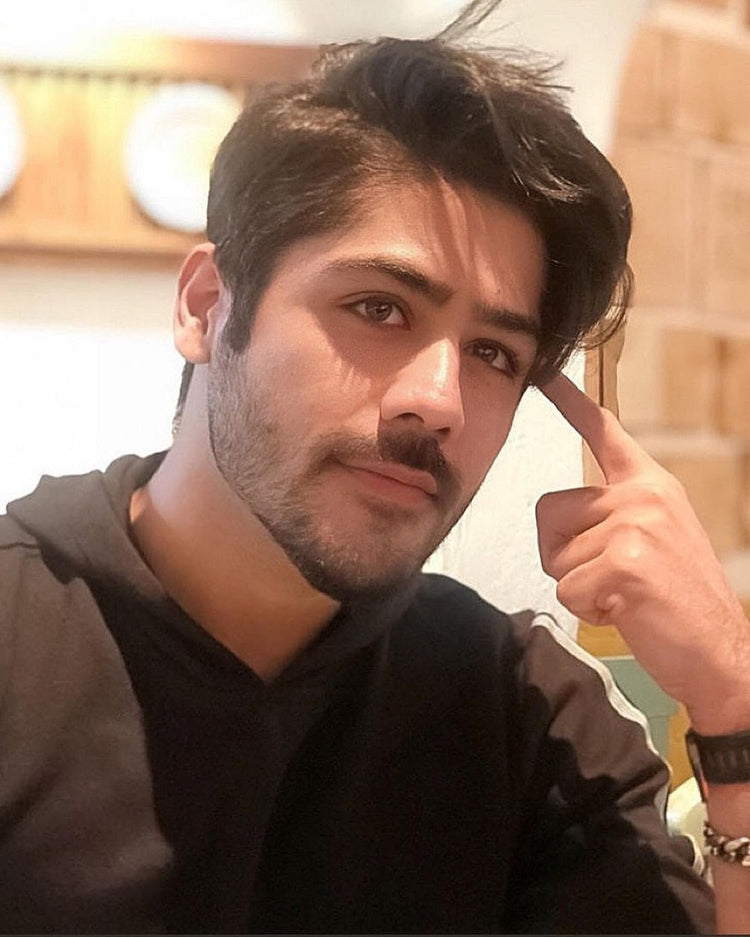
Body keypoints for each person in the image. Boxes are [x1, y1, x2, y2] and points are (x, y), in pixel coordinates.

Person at [1, 1, 748, 932]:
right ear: (205, 306)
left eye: (492, 354)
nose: (438, 400)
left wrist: (733, 703)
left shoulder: (524, 710)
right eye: (379, 307)